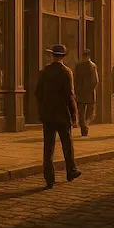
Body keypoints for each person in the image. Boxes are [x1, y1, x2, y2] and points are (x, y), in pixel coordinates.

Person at [35, 44, 82, 189]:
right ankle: (71, 171)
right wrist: (74, 116)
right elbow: (70, 96)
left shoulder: (44, 71)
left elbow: (38, 92)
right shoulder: (67, 72)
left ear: (52, 56)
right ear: (63, 56)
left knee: (48, 148)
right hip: (63, 114)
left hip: (48, 115)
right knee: (67, 144)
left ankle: (49, 179)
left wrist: (43, 107)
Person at [73, 49, 99, 137]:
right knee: (90, 112)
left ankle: (83, 125)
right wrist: (91, 89)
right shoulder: (93, 66)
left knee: (81, 112)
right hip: (89, 93)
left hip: (80, 93)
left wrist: (76, 90)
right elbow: (95, 80)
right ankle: (85, 125)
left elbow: (75, 79)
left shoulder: (78, 66)